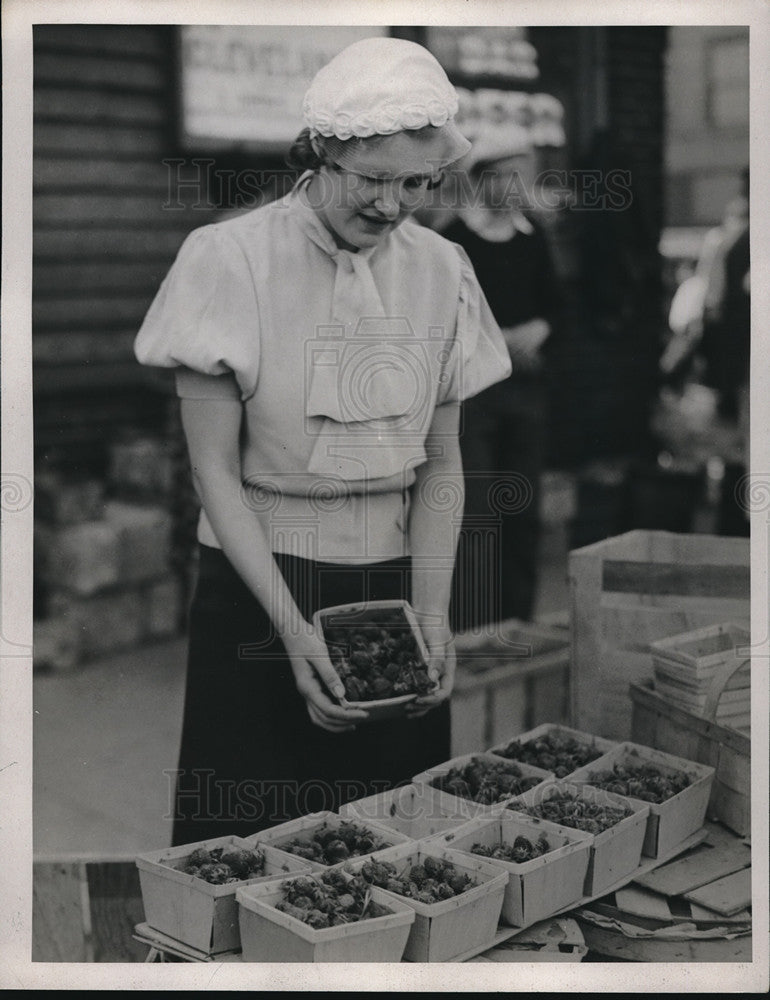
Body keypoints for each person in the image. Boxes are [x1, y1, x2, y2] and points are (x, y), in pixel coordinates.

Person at [134, 37, 512, 845]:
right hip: (257, 579)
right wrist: (292, 632)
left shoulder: (444, 269)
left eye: (417, 183)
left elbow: (443, 463)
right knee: (247, 846)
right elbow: (214, 472)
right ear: (320, 154)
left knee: (393, 849)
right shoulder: (226, 259)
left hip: (393, 581)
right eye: (372, 180)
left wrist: (435, 616)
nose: (391, 204)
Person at [442, 129, 560, 629]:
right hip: (473, 397)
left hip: (525, 394)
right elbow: (441, 315)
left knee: (522, 507)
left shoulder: (533, 237)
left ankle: (518, 621)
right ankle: (474, 627)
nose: (519, 184)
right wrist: (492, 336)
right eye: (509, 174)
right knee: (475, 512)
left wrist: (540, 328)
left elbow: (555, 306)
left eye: (524, 173)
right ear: (484, 179)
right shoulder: (454, 239)